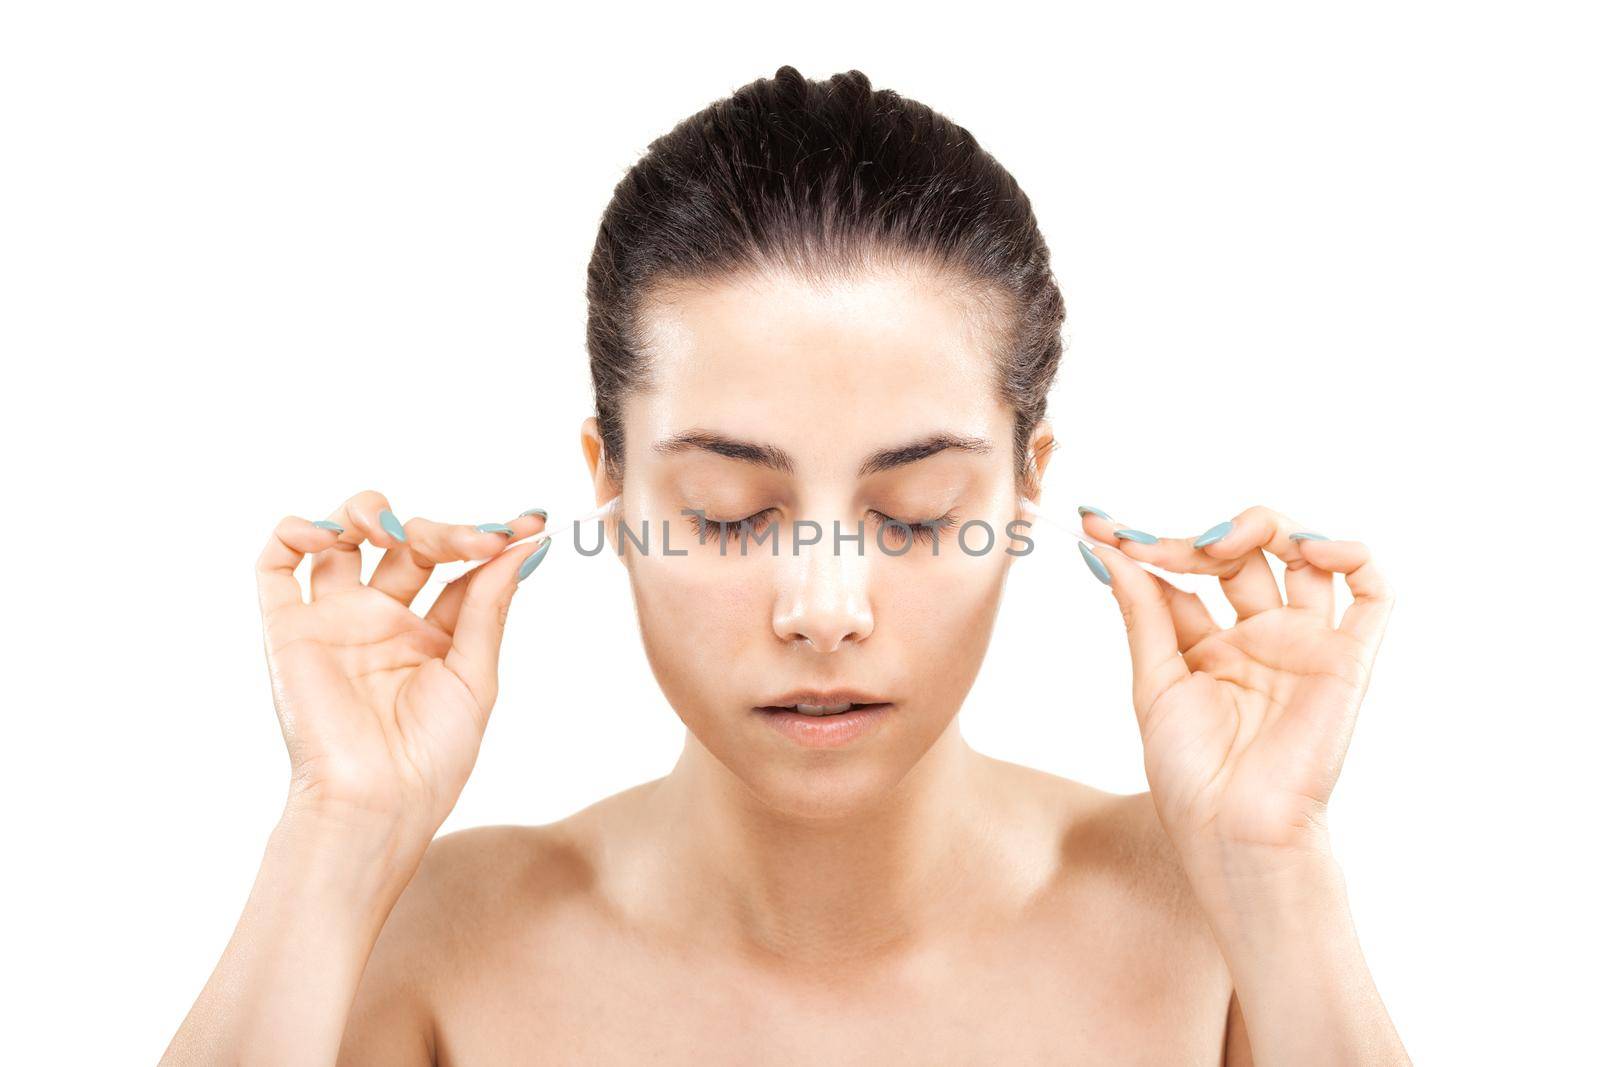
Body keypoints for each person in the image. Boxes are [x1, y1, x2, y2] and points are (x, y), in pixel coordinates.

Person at [161, 66, 1409, 1065]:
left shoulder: (1213, 926)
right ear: (611, 483)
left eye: (916, 511)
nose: (823, 607)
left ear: (1027, 487)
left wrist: (1273, 869)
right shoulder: (436, 943)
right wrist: (336, 837)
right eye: (725, 509)